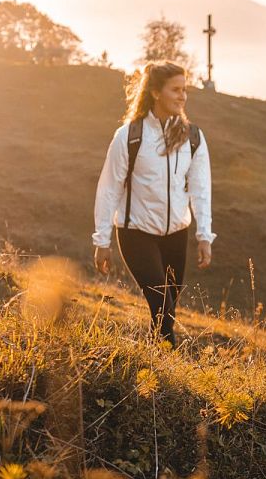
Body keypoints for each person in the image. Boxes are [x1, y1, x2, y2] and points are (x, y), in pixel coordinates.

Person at [91, 62, 214, 344]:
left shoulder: (192, 137)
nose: (183, 96)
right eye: (176, 90)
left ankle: (153, 360)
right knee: (162, 305)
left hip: (176, 235)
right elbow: (109, 188)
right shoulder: (129, 136)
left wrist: (204, 235)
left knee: (166, 312)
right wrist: (102, 240)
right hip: (136, 234)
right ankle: (169, 367)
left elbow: (201, 189)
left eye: (185, 90)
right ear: (156, 92)